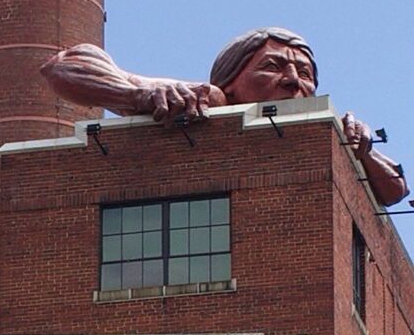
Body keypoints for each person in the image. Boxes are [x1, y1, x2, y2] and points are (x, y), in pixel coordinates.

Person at [40, 27, 409, 207]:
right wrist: (140, 94)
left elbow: (396, 191)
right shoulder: (210, 100)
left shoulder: (320, 130)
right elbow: (63, 65)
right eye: (273, 66)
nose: (294, 81)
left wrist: (361, 151)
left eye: (305, 72)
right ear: (230, 80)